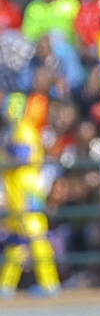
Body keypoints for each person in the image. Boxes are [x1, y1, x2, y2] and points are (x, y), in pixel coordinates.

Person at [0, 92, 60, 297]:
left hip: (26, 190)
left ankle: (50, 283)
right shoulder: (11, 130)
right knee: (16, 239)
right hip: (14, 191)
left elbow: (21, 158)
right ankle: (5, 285)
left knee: (36, 236)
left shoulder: (23, 130)